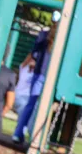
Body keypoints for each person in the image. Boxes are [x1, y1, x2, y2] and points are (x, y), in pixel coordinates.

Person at [13, 11, 61, 143]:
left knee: (31, 104)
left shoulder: (44, 35)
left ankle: (18, 133)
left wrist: (37, 60)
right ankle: (39, 138)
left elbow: (34, 54)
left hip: (39, 73)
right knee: (46, 107)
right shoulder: (63, 38)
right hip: (52, 76)